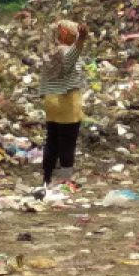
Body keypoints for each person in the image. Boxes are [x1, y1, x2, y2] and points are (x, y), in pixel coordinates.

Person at [34, 19, 89, 198]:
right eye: (71, 32)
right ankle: (65, 181)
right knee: (68, 142)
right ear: (64, 33)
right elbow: (71, 58)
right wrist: (81, 40)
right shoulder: (65, 51)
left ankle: (47, 179)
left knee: (52, 141)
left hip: (51, 101)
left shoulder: (48, 53)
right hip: (67, 101)